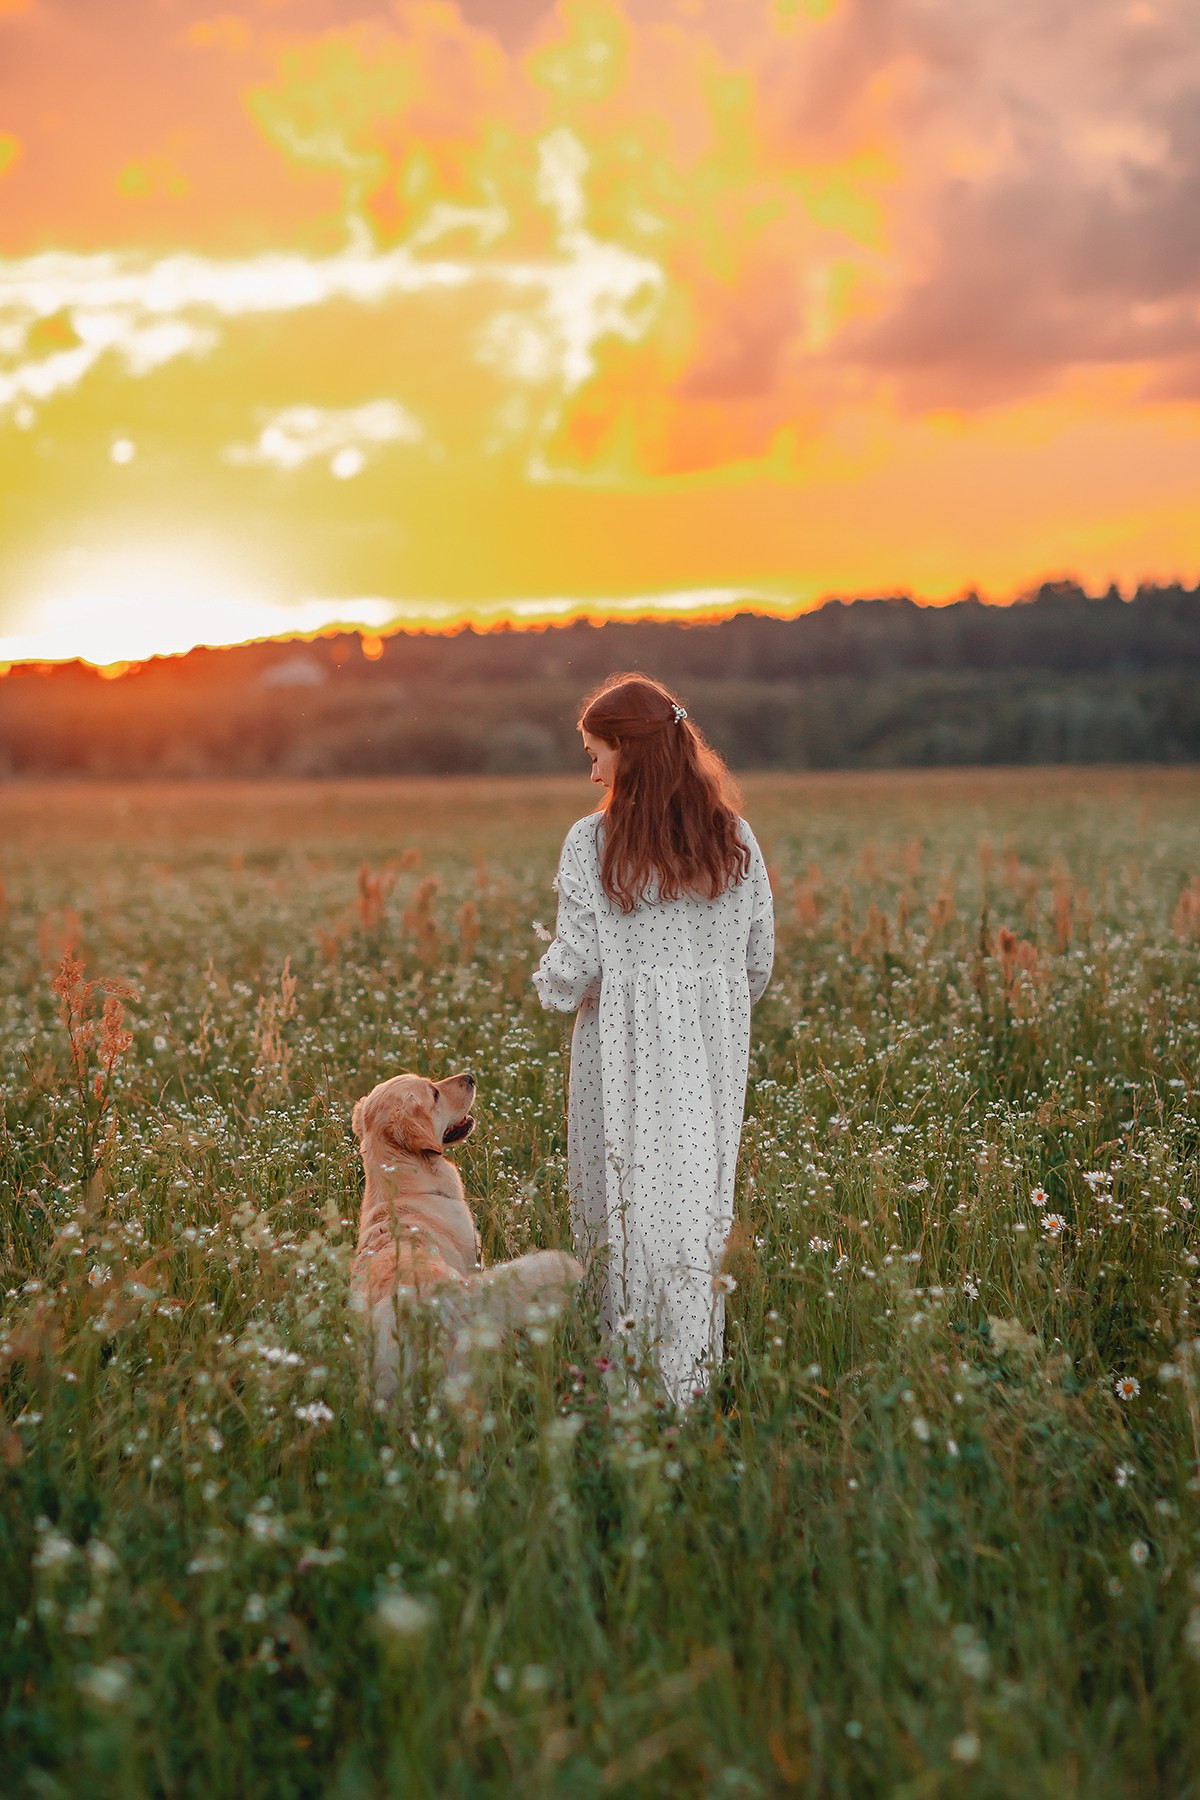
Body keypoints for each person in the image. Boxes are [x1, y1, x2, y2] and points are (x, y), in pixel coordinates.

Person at [532, 672, 774, 1406]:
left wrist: (545, 972)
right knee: (696, 1208)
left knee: (623, 1207)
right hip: (711, 1048)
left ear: (629, 752)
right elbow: (757, 959)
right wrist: (706, 1000)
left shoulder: (592, 840)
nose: (592, 769)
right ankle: (688, 1385)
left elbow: (575, 971)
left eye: (596, 752)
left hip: (622, 1048)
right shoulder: (733, 837)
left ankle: (631, 1388)